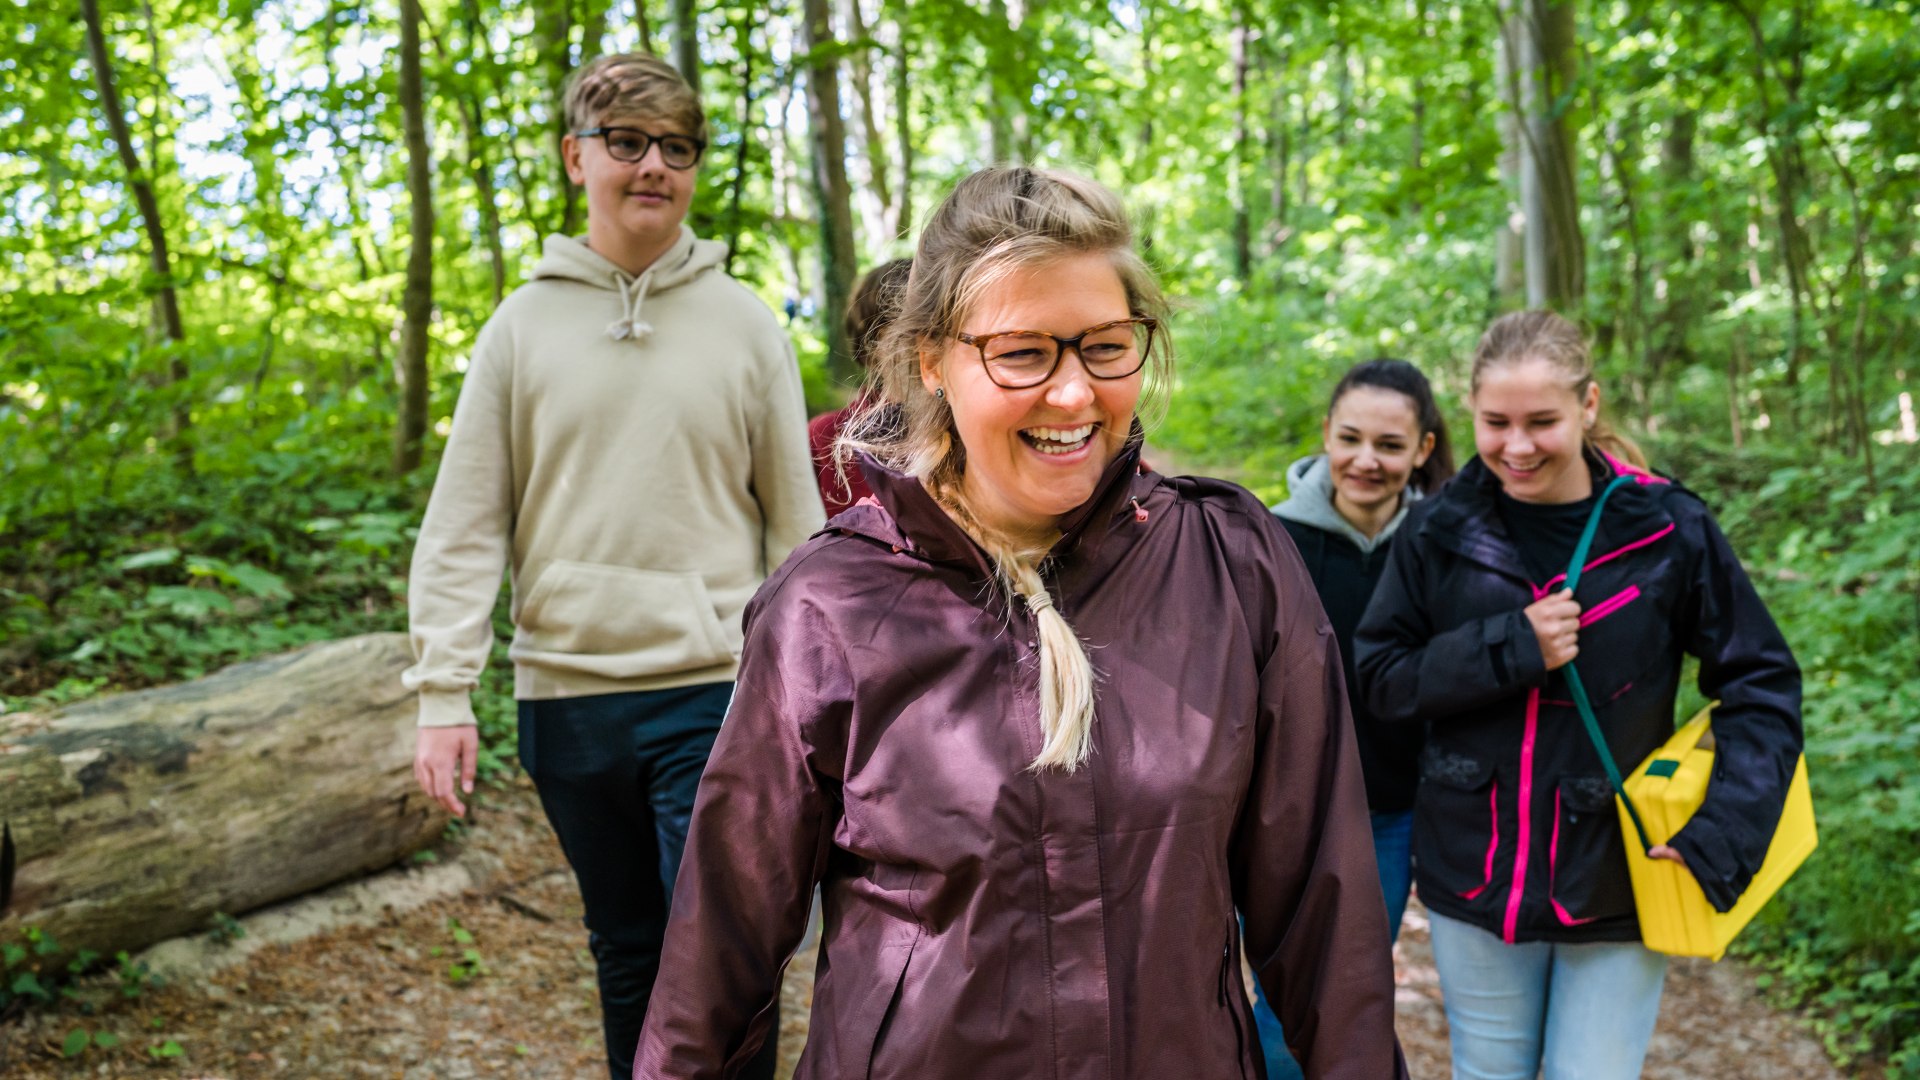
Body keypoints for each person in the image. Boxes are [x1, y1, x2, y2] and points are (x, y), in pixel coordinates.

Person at [632, 167, 1406, 1079]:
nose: (1074, 395)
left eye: (1106, 347)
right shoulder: (828, 608)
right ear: (931, 359)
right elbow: (720, 949)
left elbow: (1325, 916)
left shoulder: (1232, 565)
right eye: (1023, 353)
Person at [400, 53, 821, 1080]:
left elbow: (796, 531)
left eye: (677, 148)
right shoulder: (519, 327)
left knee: (720, 952)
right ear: (575, 157)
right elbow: (465, 522)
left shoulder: (745, 324)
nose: (653, 167)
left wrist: (810, 688)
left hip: (715, 691)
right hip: (567, 699)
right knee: (628, 949)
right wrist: (442, 693)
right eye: (628, 143)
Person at [1353, 310, 1802, 1080]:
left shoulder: (1670, 529)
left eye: (1542, 422)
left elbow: (1761, 685)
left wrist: (1719, 836)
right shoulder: (1436, 530)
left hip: (1619, 876)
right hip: (1474, 873)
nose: (1517, 447)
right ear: (1471, 413)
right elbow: (1381, 678)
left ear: (1588, 407)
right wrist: (1511, 647)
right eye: (1496, 422)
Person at [1249, 358, 1456, 1078]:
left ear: (1424, 450)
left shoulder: (1441, 547)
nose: (1366, 461)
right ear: (1326, 436)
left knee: (1354, 989)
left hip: (1388, 814)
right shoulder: (1268, 542)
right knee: (1278, 1001)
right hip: (1282, 818)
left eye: (1391, 446)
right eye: (1351, 438)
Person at [808, 257, 913, 516]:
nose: (926, 343)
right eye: (909, 328)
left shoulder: (970, 430)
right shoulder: (826, 437)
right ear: (873, 341)